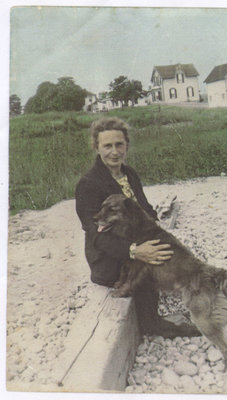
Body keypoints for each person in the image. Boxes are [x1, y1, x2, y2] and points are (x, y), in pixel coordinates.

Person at [75, 117, 201, 338]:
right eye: (107, 146)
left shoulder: (129, 174)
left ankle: (203, 306)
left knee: (177, 257)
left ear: (126, 146)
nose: (114, 151)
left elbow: (146, 210)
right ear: (97, 147)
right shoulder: (88, 184)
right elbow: (96, 236)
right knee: (151, 265)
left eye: (119, 144)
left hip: (136, 242)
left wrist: (158, 233)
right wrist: (136, 250)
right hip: (109, 258)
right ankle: (154, 326)